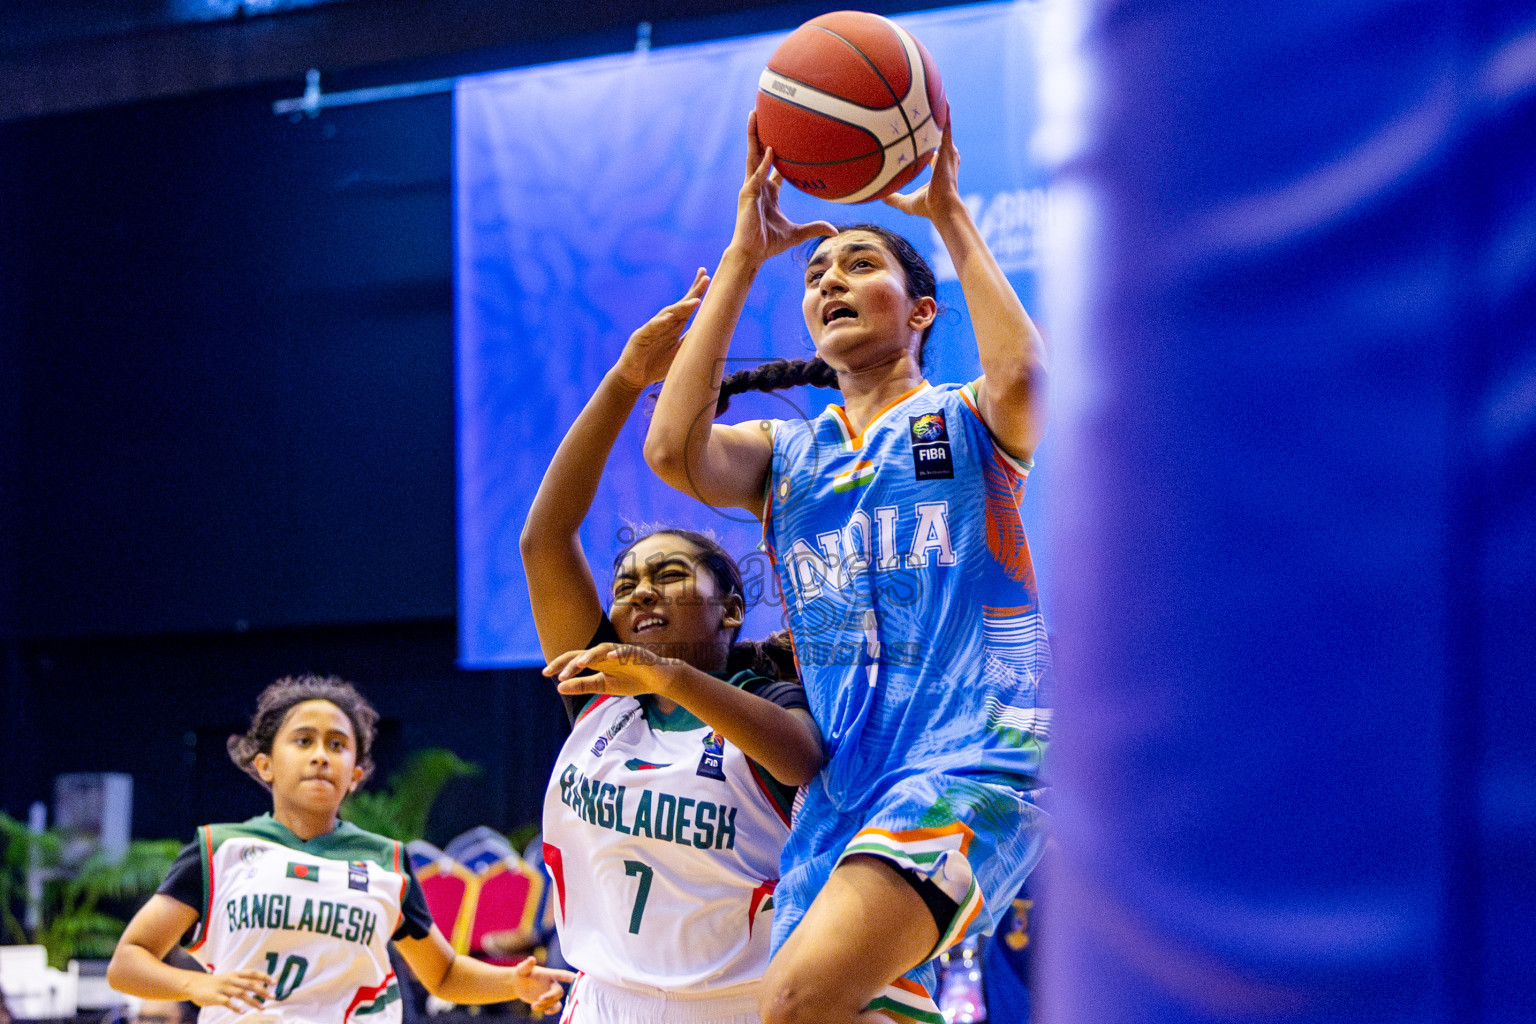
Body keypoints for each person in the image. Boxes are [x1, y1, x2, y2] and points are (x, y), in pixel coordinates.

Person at [644, 114, 1051, 1024]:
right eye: (818, 274)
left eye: (860, 265)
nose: (830, 280)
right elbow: (674, 452)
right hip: (843, 786)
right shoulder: (789, 453)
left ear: (920, 310)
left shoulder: (964, 419)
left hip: (976, 753)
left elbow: (1026, 381)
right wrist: (745, 257)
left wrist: (947, 215)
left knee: (793, 1001)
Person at [519, 274, 826, 1024]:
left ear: (732, 608)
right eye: (627, 584)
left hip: (738, 1006)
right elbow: (544, 539)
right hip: (601, 1003)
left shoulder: (768, 698)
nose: (641, 593)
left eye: (669, 574)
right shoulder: (606, 701)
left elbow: (801, 760)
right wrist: (627, 379)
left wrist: (667, 676)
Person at [107, 675, 574, 1023]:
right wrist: (199, 985)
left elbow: (444, 975)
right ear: (265, 764)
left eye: (337, 744)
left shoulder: (387, 860)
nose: (320, 755)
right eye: (303, 740)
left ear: (355, 774)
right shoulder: (218, 850)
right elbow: (128, 961)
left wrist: (513, 981)